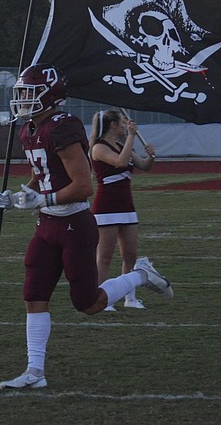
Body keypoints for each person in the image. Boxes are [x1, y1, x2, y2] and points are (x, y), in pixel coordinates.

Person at [0, 64, 172, 390]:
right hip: (47, 226)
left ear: (49, 95)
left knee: (87, 304)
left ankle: (141, 274)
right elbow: (41, 175)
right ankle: (35, 371)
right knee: (34, 294)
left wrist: (40, 199)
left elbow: (83, 186)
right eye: (21, 93)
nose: (21, 100)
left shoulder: (63, 127)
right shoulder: (28, 129)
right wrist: (20, 194)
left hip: (74, 223)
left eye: (28, 93)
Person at [89, 109, 156, 311]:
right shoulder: (99, 148)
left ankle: (130, 298)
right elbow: (120, 162)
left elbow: (143, 165)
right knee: (105, 256)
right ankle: (101, 298)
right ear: (113, 125)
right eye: (122, 122)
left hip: (126, 205)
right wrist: (132, 136)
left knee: (130, 254)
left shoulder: (121, 144)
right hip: (107, 206)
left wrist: (150, 156)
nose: (126, 125)